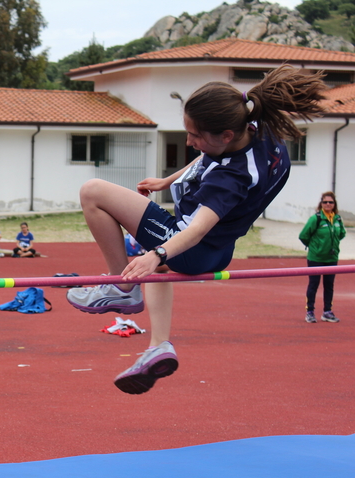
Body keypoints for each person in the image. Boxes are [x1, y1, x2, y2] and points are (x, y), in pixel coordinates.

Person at [65, 65, 326, 394]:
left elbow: (197, 229)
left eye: (195, 136)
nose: (190, 142)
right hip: (220, 250)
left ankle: (121, 286)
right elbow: (211, 153)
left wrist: (155, 253)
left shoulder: (230, 179)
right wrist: (169, 179)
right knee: (159, 267)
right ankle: (159, 345)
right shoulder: (259, 130)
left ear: (226, 135)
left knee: (93, 192)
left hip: (190, 244)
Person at [299, 192, 346, 323]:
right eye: (325, 202)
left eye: (330, 202)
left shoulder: (337, 219)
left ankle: (327, 312)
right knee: (313, 285)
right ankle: (310, 312)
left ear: (334, 204)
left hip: (331, 258)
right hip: (316, 258)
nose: (328, 205)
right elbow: (303, 235)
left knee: (329, 285)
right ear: (321, 204)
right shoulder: (316, 219)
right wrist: (315, 247)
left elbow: (341, 234)